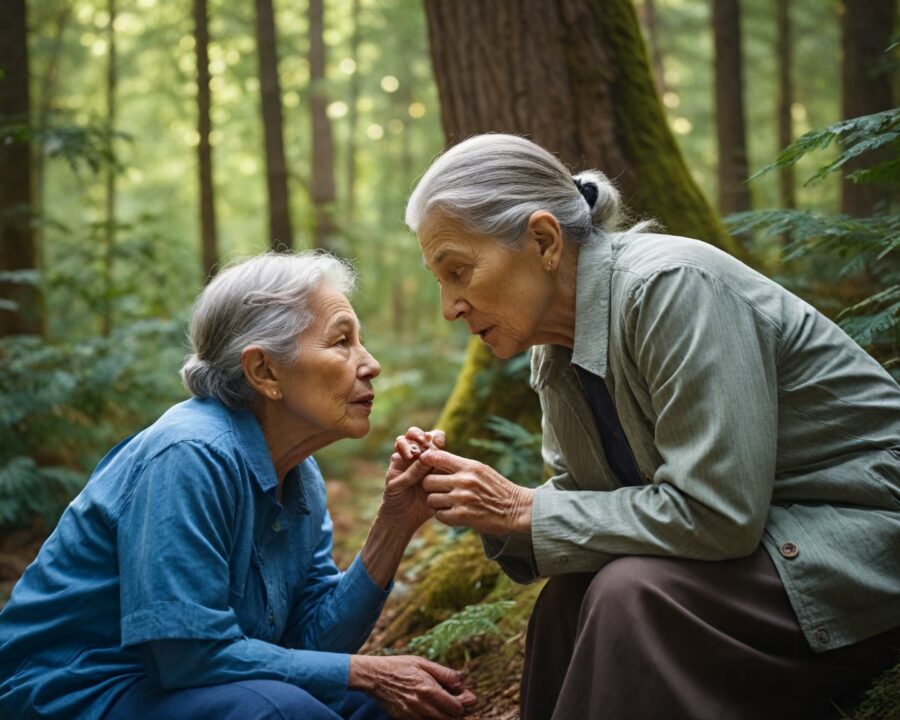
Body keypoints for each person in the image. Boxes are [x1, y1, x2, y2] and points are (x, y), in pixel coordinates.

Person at [403, 133, 900, 720]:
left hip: (865, 536)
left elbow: (718, 514)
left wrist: (523, 509)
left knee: (629, 594)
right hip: (774, 539)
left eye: (458, 271)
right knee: (567, 601)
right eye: (441, 281)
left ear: (543, 240)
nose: (450, 307)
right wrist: (485, 508)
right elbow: (591, 501)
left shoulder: (671, 286)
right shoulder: (554, 351)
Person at [0, 252, 477, 720]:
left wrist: (394, 525)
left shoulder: (300, 476)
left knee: (391, 703)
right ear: (264, 371)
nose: (370, 364)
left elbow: (314, 645)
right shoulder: (189, 454)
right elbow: (188, 657)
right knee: (283, 709)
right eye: (341, 342)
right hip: (74, 690)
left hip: (174, 689)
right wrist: (367, 672)